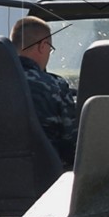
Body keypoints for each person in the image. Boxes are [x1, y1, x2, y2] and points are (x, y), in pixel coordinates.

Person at [10, 16, 79, 165]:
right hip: (46, 182)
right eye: (50, 49)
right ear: (42, 46)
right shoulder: (55, 86)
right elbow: (73, 148)